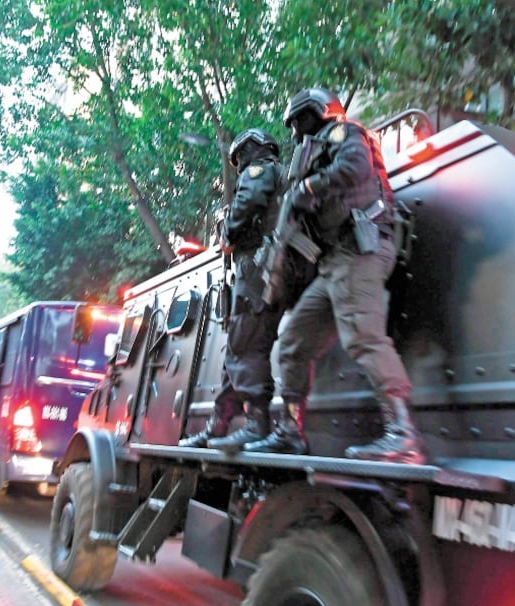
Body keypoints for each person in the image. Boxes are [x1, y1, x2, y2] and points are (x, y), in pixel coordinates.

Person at [242, 87, 429, 463]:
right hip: (333, 263)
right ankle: (289, 431)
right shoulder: (311, 151)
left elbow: (353, 169)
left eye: (300, 121)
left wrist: (308, 188)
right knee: (293, 341)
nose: (296, 132)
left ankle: (402, 433)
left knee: (362, 335)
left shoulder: (345, 134)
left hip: (361, 249)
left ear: (319, 111)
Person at [178, 128, 286, 452]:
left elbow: (248, 201)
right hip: (262, 267)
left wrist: (228, 232)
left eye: (239, 158)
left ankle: (256, 423)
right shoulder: (280, 175)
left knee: (246, 343)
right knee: (237, 346)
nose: (239, 165)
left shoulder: (260, 170)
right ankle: (219, 422)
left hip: (257, 266)